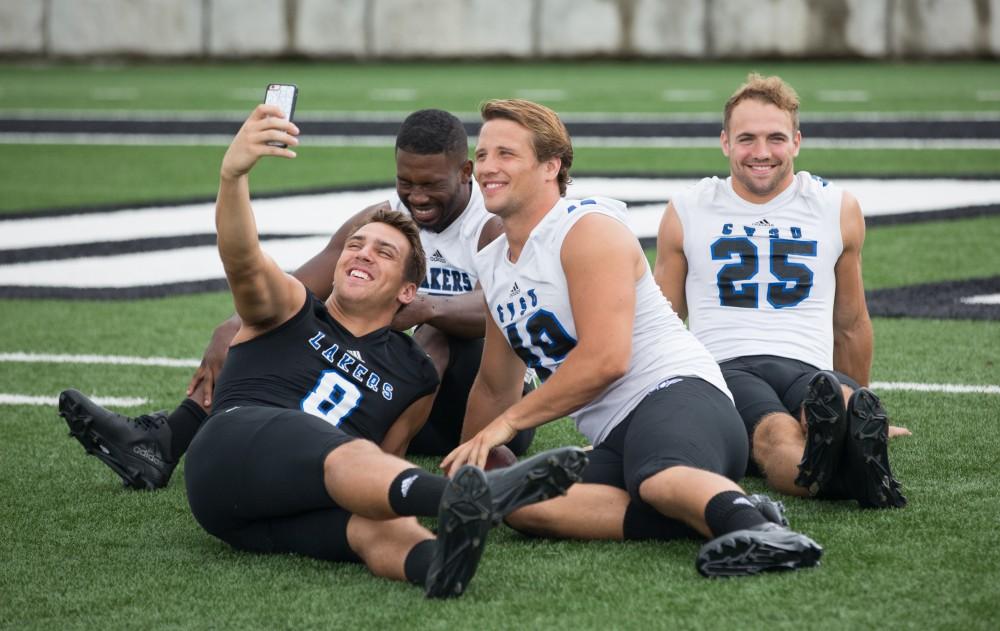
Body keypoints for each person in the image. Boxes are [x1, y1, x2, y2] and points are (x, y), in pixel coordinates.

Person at [160, 104, 585, 597]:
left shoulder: (414, 375)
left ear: (409, 291)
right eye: (356, 246)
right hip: (233, 453)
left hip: (258, 515)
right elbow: (242, 256)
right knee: (346, 456)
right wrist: (233, 177)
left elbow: (388, 463)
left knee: (379, 528)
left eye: (384, 253)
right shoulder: (294, 310)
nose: (362, 253)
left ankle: (437, 566)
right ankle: (486, 497)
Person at [441, 98, 822, 577]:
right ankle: (723, 509)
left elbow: (606, 360)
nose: (488, 168)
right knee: (522, 505)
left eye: (506, 154)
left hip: (678, 395)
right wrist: (465, 462)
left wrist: (506, 425)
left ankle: (765, 534)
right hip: (615, 435)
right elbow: (495, 385)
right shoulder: (494, 260)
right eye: (483, 155)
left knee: (659, 480)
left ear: (550, 167)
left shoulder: (585, 228)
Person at [58, 108, 533, 490]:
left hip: (481, 404)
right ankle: (162, 441)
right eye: (406, 182)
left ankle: (435, 470)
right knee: (292, 329)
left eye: (430, 184)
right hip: (382, 400)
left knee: (437, 335)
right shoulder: (383, 221)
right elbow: (305, 285)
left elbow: (502, 312)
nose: (416, 196)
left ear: (466, 171)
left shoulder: (491, 225)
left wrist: (427, 308)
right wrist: (241, 324)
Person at [652, 73, 907, 509]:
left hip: (807, 367)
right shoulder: (687, 208)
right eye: (746, 138)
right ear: (725, 143)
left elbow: (850, 323)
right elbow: (662, 322)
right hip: (726, 368)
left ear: (796, 142)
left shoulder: (836, 207)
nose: (761, 152)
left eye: (775, 138)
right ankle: (849, 476)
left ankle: (849, 440)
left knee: (833, 403)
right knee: (778, 434)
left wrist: (858, 401)